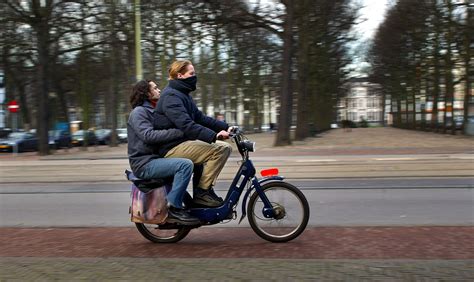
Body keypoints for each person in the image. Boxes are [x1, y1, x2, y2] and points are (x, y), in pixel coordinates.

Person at [155, 60, 233, 207]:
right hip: (171, 148)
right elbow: (186, 125)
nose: (194, 76)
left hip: (182, 143)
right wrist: (214, 136)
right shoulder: (171, 96)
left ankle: (204, 192)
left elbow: (200, 118)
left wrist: (226, 127)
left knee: (220, 148)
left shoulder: (183, 95)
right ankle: (202, 193)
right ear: (180, 75)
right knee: (221, 149)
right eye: (192, 73)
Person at [127, 79, 199, 225]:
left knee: (197, 159)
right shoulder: (139, 112)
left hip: (155, 158)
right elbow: (148, 135)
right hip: (144, 163)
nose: (159, 90)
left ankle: (196, 201)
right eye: (154, 88)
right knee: (184, 165)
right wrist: (178, 132)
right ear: (146, 93)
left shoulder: (155, 111)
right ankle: (174, 209)